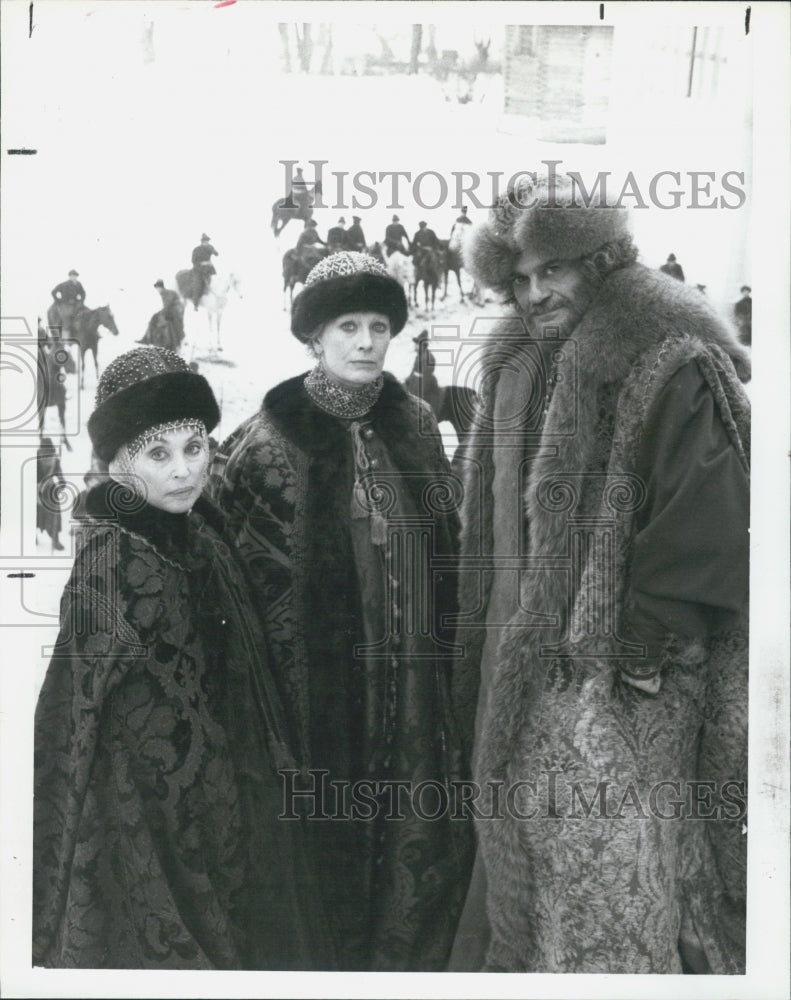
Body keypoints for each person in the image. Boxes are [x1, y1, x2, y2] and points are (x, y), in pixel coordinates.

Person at [449, 173, 750, 974]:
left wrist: (641, 653)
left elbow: (703, 521)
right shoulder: (518, 362)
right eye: (519, 279)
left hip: (624, 676)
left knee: (624, 874)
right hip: (524, 668)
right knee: (544, 863)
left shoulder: (667, 360)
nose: (536, 293)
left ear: (602, 259)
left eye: (553, 270)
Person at [209, 251, 474, 971]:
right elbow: (230, 583)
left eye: (378, 326)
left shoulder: (416, 425)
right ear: (313, 339)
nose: (365, 342)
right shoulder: (266, 443)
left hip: (415, 687)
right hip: (315, 700)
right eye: (347, 326)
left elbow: (448, 544)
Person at [33, 347, 327, 969]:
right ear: (116, 463)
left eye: (195, 447)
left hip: (235, 801)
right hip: (149, 818)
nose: (184, 471)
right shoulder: (111, 562)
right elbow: (73, 720)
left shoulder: (204, 534)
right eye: (158, 454)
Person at [404, 328, 443, 418]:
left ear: (422, 345)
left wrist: (416, 393)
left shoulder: (428, 357)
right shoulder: (419, 356)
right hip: (416, 381)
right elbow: (414, 371)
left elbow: (425, 378)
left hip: (423, 384)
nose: (415, 346)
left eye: (417, 344)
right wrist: (408, 380)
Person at [36, 437, 66, 551]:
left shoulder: (55, 460)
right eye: (44, 454)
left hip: (50, 491)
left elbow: (60, 476)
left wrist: (61, 485)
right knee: (34, 514)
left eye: (48, 454)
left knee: (54, 515)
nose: (46, 457)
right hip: (36, 490)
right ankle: (32, 536)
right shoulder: (35, 459)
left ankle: (55, 539)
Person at [139, 279, 185, 349]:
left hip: (175, 312)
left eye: (158, 288)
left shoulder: (167, 293)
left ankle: (150, 339)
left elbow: (168, 305)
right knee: (155, 318)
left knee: (161, 320)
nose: (157, 290)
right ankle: (147, 338)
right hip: (172, 311)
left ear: (161, 287)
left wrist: (164, 312)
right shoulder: (165, 293)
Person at [190, 233, 219, 309]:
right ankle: (195, 304)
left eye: (207, 241)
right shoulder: (196, 249)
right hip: (198, 270)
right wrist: (202, 263)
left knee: (216, 282)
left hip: (209, 270)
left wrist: (213, 251)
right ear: (202, 241)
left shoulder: (210, 247)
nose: (206, 242)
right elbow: (193, 261)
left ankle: (218, 299)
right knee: (198, 285)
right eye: (205, 241)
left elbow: (216, 254)